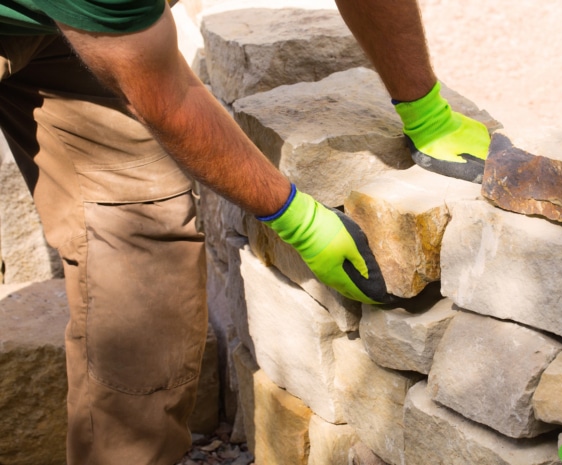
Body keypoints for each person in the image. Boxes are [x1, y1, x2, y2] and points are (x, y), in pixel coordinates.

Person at [0, 1, 491, 464]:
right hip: (100, 19)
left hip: (86, 25)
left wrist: (426, 111)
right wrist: (295, 218)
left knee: (144, 239)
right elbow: (165, 98)